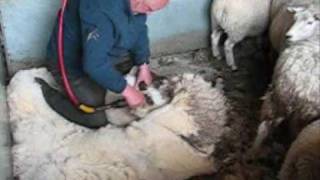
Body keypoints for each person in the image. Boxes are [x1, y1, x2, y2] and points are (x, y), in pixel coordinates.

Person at [40, 0, 169, 128]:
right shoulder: (100, 8)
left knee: (155, 89)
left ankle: (115, 81)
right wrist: (129, 92)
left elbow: (139, 29)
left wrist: (143, 65)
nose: (150, 14)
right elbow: (94, 65)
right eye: (149, 9)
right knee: (97, 118)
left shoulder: (134, 7)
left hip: (111, 52)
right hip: (73, 64)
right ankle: (45, 92)